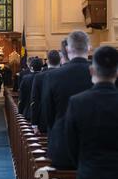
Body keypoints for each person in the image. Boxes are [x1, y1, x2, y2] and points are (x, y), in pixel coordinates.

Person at [65, 46, 118, 179]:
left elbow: (72, 145)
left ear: (92, 71)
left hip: (90, 178)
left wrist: (83, 165)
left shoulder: (77, 102)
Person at [40, 31, 93, 170]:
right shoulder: (98, 73)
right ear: (89, 47)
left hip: (62, 145)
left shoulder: (53, 76)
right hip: (95, 147)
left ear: (68, 49)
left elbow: (48, 113)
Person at [30, 50, 61, 134]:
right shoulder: (66, 75)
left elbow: (34, 101)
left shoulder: (39, 77)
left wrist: (34, 124)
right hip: (62, 121)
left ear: (47, 61)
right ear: (60, 60)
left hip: (44, 120)